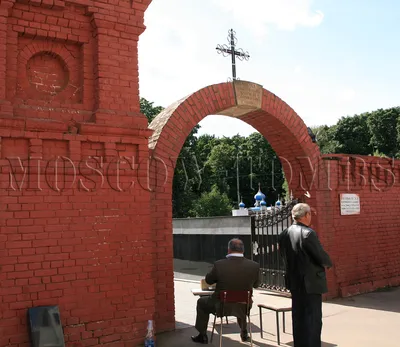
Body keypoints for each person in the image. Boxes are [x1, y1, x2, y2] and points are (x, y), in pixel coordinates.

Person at [278, 203, 332, 347]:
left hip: (294, 281)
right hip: (311, 283)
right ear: (306, 215)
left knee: (298, 316)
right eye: (310, 214)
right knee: (313, 319)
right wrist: (328, 262)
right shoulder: (308, 233)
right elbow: (320, 255)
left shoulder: (284, 233)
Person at [191, 238, 260, 344]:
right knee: (241, 302)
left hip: (221, 305)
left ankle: (202, 335)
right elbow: (256, 285)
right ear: (243, 250)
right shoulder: (254, 266)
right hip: (244, 305)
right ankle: (244, 333)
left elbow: (208, 281)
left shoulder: (219, 264)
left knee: (201, 302)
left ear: (228, 250)